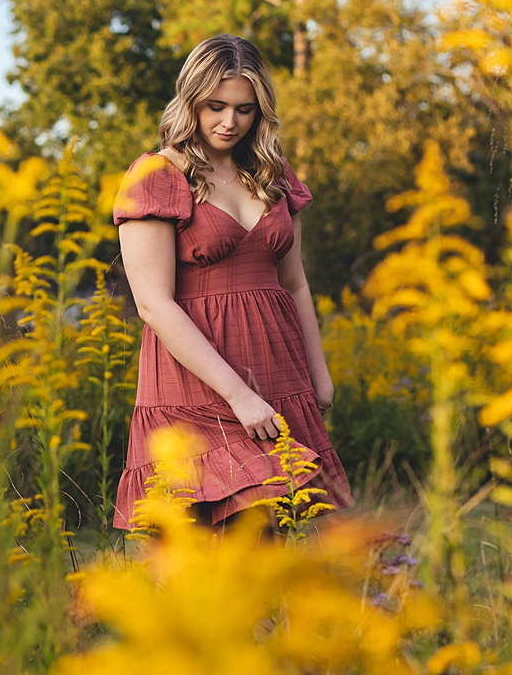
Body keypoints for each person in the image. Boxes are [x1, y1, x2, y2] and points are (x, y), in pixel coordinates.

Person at [112, 34, 352, 530]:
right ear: (191, 99)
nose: (229, 122)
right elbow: (154, 304)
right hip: (196, 383)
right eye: (216, 106)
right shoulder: (157, 175)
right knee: (199, 546)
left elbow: (295, 282)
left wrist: (318, 371)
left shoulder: (273, 175)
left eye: (244, 109)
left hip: (278, 372)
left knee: (269, 541)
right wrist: (239, 396)